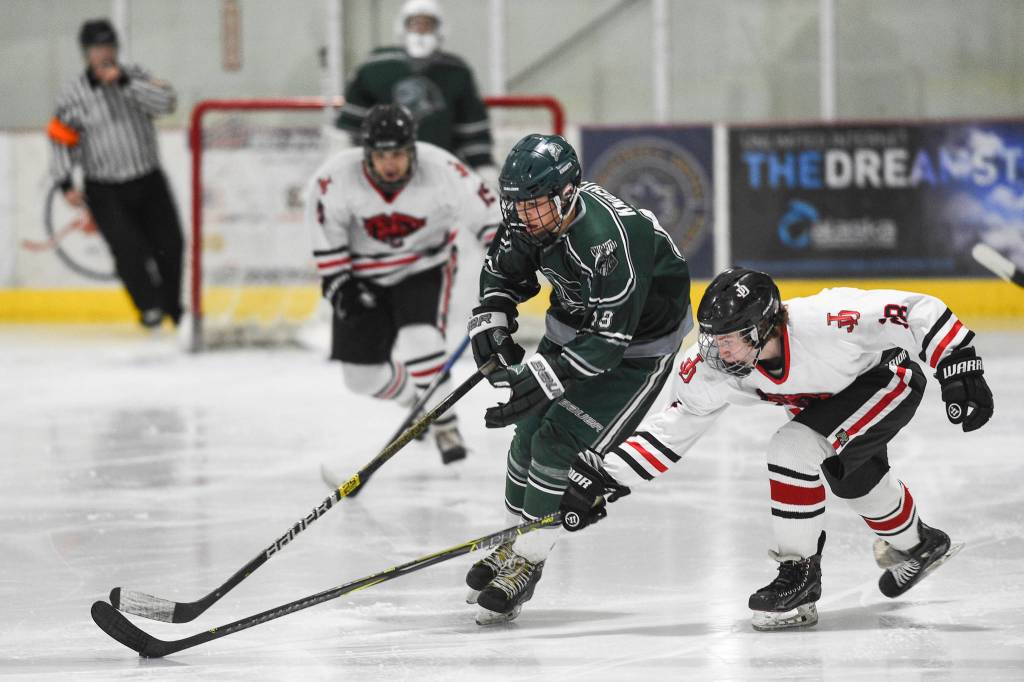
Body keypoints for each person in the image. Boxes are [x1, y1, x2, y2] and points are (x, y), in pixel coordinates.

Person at [559, 267, 995, 630]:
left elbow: (915, 310)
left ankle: (799, 573)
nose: (718, 348)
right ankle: (921, 545)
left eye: (730, 336)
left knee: (792, 448)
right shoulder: (716, 366)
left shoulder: (827, 318)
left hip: (886, 381)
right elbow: (677, 423)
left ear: (765, 325)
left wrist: (959, 363)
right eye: (713, 336)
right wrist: (607, 475)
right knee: (855, 483)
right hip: (828, 407)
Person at [464, 133, 693, 625]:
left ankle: (528, 561)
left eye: (535, 206)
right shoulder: (530, 220)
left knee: (556, 443)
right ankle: (511, 544)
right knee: (527, 434)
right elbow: (502, 276)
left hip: (634, 351)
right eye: (517, 206)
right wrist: (494, 316)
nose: (524, 217)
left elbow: (608, 344)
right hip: (572, 329)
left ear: (568, 193)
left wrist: (541, 376)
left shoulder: (611, 238)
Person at [306, 104, 500, 464]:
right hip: (362, 276)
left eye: (398, 154)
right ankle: (415, 401)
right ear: (367, 154)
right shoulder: (334, 180)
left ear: (412, 150)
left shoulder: (442, 170)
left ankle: (445, 425)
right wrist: (340, 287)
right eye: (381, 155)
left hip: (423, 267)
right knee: (360, 378)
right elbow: (326, 241)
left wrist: (506, 262)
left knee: (419, 339)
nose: (390, 163)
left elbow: (489, 216)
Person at [48, 19, 183, 329]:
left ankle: (174, 308)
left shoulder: (136, 75)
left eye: (109, 46)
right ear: (86, 53)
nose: (105, 53)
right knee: (128, 249)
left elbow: (167, 103)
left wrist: (124, 82)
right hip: (105, 188)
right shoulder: (72, 95)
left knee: (170, 245)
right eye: (98, 48)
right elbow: (60, 139)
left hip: (148, 179)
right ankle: (149, 305)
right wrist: (65, 182)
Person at [335, 0, 497, 182]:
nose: (420, 30)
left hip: (441, 171)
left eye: (428, 24)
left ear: (441, 28)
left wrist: (483, 166)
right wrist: (343, 167)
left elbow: (472, 130)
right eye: (414, 23)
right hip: (384, 172)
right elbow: (349, 129)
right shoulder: (374, 67)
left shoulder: (457, 71)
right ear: (402, 27)